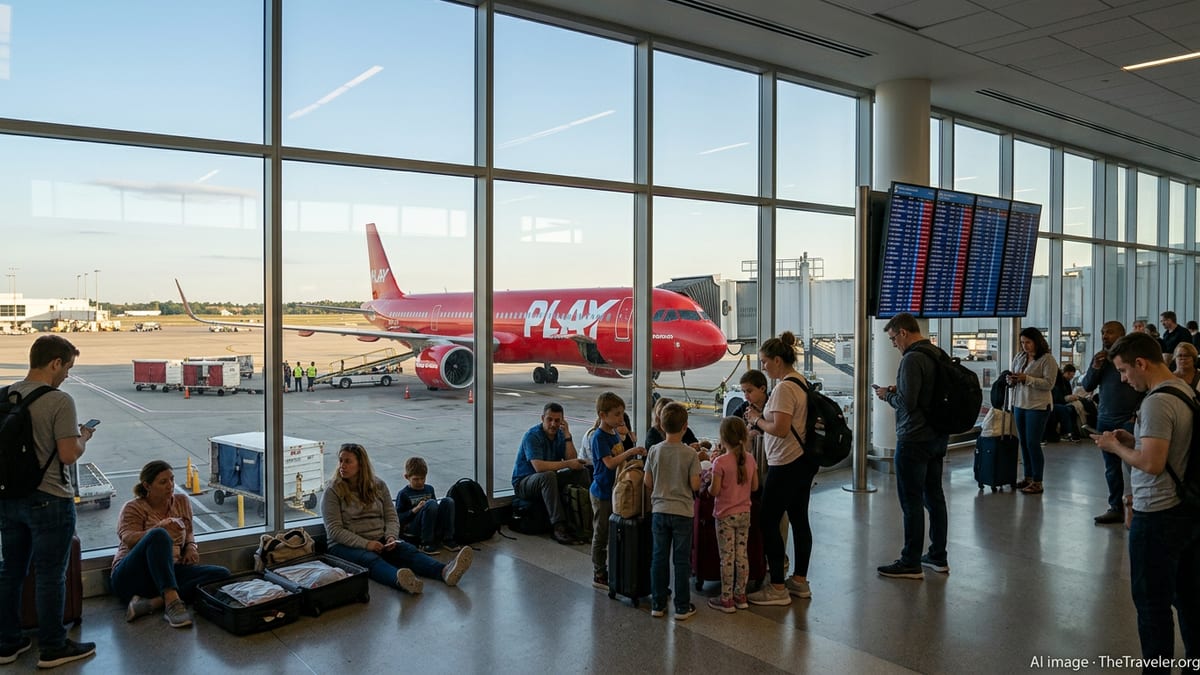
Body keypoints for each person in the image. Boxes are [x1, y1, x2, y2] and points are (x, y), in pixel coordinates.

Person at [1093, 331, 1200, 669]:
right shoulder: (1183, 390)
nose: (1124, 379)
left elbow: (1153, 464)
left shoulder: (1156, 401)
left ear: (1141, 363)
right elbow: (1168, 448)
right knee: (1188, 598)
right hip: (1187, 510)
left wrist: (1116, 447)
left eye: (1124, 371)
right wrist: (1134, 438)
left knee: (1152, 605)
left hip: (1157, 514)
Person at [0, 335, 96, 668]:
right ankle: (53, 646)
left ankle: (8, 642)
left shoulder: (6, 395)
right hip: (50, 500)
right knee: (49, 575)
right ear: (55, 363)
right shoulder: (59, 401)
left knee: (10, 572)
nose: (67, 375)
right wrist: (83, 438)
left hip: (9, 499)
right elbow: (68, 456)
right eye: (68, 367)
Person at [323, 444, 472, 595]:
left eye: (348, 461)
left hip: (378, 538)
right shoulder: (333, 490)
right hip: (344, 545)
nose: (342, 465)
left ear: (360, 465)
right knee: (370, 560)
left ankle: (445, 571)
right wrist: (366, 544)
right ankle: (401, 580)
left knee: (408, 550)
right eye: (341, 460)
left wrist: (391, 536)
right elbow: (335, 530)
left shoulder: (378, 485)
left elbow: (391, 516)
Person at [873, 314, 950, 580]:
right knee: (935, 497)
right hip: (937, 436)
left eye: (893, 338)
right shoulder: (936, 353)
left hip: (914, 439)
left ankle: (910, 561)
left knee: (912, 502)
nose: (893, 344)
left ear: (903, 333)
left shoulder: (912, 359)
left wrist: (887, 395)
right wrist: (899, 389)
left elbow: (906, 404)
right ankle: (938, 556)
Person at [745, 331, 819, 605]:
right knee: (799, 520)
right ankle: (799, 581)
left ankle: (777, 587)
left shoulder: (785, 388)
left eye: (764, 361)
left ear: (777, 360)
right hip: (802, 461)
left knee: (767, 520)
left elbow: (780, 427)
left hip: (785, 463)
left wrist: (756, 420)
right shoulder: (800, 382)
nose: (763, 367)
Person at [110, 461, 230, 629]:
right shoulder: (133, 507)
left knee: (222, 574)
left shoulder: (181, 501)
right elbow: (128, 538)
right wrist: (159, 529)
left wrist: (190, 547)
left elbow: (188, 531)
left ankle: (154, 603)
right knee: (159, 535)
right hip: (131, 576)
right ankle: (172, 604)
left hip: (167, 572)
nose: (170, 485)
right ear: (147, 485)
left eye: (172, 480)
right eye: (163, 482)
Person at [1081, 321, 1144, 524]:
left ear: (1122, 334)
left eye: (1109, 332)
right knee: (1111, 468)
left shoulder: (1131, 358)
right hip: (1105, 418)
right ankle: (1115, 507)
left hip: (1127, 418)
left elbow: (1144, 386)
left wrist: (1137, 413)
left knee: (1134, 465)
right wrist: (1095, 367)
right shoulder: (1101, 358)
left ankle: (1141, 507)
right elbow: (1087, 385)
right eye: (1102, 332)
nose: (1104, 335)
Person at [643, 402, 701, 621]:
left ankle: (658, 603)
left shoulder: (654, 451)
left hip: (659, 510)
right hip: (683, 512)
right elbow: (695, 485)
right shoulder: (689, 454)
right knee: (681, 560)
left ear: (661, 424)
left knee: (658, 557)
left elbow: (648, 481)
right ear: (685, 427)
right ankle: (682, 607)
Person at [586, 393, 644, 591]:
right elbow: (609, 463)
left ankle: (613, 567)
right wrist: (629, 453)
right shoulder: (599, 437)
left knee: (612, 530)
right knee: (601, 532)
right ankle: (599, 571)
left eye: (622, 414)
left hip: (614, 490)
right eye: (617, 415)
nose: (621, 419)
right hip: (602, 491)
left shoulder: (613, 434)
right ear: (603, 415)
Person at [511, 403, 590, 545]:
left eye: (557, 420)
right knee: (548, 475)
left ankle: (585, 517)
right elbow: (539, 467)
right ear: (542, 418)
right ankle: (558, 526)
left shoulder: (560, 435)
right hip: (524, 482)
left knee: (581, 471)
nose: (553, 424)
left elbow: (571, 459)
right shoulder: (533, 436)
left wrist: (567, 436)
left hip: (547, 479)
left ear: (562, 421)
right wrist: (568, 464)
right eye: (549, 419)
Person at [706, 416, 758, 613]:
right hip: (745, 513)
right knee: (741, 556)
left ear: (723, 438)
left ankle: (726, 599)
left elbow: (714, 491)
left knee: (727, 557)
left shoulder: (720, 462)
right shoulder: (751, 459)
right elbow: (754, 486)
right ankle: (740, 595)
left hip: (725, 516)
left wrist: (711, 478)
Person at [1008, 326, 1059, 495]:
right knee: (1023, 443)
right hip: (1019, 403)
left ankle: (1038, 480)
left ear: (1037, 341)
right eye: (1022, 342)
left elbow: (1049, 384)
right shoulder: (1020, 357)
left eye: (1028, 342)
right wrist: (1013, 379)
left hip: (1037, 406)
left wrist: (1027, 379)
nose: (1025, 346)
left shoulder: (1047, 359)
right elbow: (1016, 375)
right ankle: (1028, 477)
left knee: (1032, 443)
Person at [394, 457, 460, 555]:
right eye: (416, 479)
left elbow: (435, 510)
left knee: (448, 501)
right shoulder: (403, 494)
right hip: (414, 527)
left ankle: (447, 538)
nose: (420, 482)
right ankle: (426, 542)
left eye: (422, 478)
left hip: (430, 523)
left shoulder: (429, 489)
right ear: (407, 477)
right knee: (431, 503)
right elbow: (398, 518)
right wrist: (415, 509)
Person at [1048, 363, 1078, 442]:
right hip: (1054, 403)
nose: (1072, 378)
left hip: (1060, 403)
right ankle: (1067, 432)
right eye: (1071, 375)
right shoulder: (1056, 382)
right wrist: (1066, 399)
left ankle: (1074, 432)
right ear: (1067, 373)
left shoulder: (1065, 382)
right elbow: (1056, 398)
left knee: (1073, 408)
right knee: (1064, 409)